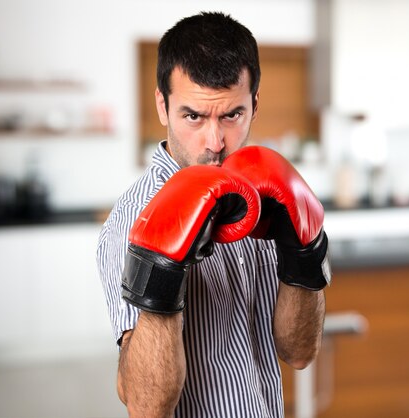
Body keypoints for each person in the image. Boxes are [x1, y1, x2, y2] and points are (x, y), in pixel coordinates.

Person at [97, 11, 330, 417]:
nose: (215, 142)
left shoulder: (262, 196)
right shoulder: (136, 218)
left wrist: (303, 254)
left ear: (254, 104)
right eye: (193, 116)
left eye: (231, 115)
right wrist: (162, 269)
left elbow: (298, 352)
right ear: (162, 105)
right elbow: (146, 406)